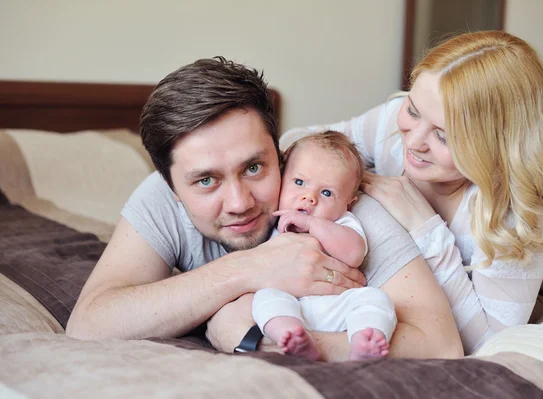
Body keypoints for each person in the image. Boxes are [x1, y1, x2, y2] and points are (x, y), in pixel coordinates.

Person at [65, 57, 463, 361]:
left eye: (254, 168)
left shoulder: (337, 206)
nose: (239, 203)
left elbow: (443, 344)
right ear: (171, 187)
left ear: (281, 153)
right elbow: (89, 323)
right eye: (206, 181)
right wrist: (246, 270)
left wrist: (259, 341)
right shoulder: (159, 197)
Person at [280, 30, 543, 355]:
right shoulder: (393, 127)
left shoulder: (515, 215)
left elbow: (491, 343)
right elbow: (296, 142)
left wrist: (426, 228)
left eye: (443, 136)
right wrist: (343, 184)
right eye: (414, 111)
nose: (413, 141)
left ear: (496, 147)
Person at [253, 131, 396, 361]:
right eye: (299, 182)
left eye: (327, 193)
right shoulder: (272, 219)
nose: (309, 198)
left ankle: (363, 342)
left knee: (375, 299)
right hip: (291, 303)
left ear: (348, 203)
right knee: (265, 298)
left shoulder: (342, 222)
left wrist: (312, 223)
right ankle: (291, 335)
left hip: (338, 307)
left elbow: (353, 255)